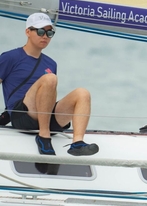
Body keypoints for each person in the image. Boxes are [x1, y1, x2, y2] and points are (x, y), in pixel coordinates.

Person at [0, 13, 99, 156]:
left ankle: (77, 143)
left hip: (46, 116)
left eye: (49, 33)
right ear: (28, 32)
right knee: (50, 79)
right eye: (40, 31)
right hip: (22, 117)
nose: (45, 36)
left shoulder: (51, 63)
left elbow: (48, 95)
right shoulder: (10, 57)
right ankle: (44, 137)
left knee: (82, 93)